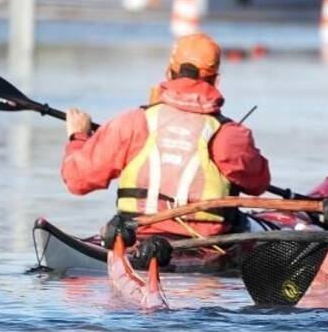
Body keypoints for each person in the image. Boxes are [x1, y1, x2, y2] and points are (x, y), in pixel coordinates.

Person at [62, 33, 271, 242]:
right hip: (205, 246)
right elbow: (259, 184)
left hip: (136, 239)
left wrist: (79, 136)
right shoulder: (230, 134)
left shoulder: (133, 122)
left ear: (168, 72)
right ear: (217, 80)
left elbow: (76, 179)